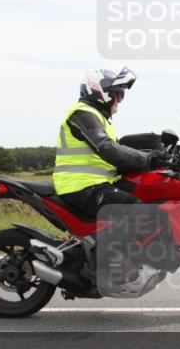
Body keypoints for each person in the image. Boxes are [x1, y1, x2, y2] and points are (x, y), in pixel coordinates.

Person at [52, 68, 170, 288]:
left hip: (95, 184)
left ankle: (126, 258)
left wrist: (156, 155)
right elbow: (107, 149)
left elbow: (117, 150)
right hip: (80, 186)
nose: (120, 99)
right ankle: (97, 269)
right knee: (135, 211)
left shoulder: (99, 118)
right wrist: (148, 159)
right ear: (101, 93)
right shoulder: (82, 113)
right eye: (118, 93)